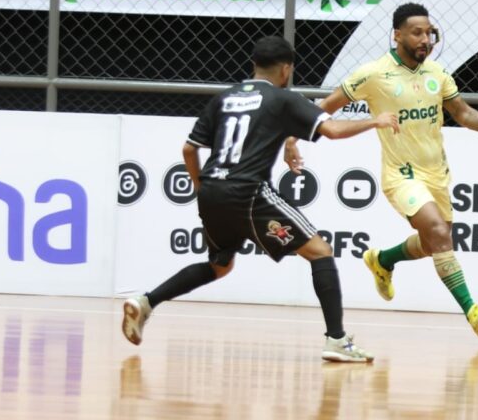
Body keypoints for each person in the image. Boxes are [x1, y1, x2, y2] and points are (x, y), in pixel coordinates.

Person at [121, 36, 399, 363]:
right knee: (320, 251)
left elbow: (188, 150)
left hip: (211, 190)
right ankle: (336, 340)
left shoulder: (223, 99)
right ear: (286, 69)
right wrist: (375, 121)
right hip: (248, 191)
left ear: (254, 65)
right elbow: (333, 130)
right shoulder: (281, 98)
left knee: (219, 265)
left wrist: (202, 188)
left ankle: (146, 302)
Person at [284, 3, 478, 339]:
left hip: (437, 174)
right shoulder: (373, 74)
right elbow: (322, 109)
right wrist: (291, 138)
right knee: (437, 231)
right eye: (416, 32)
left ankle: (383, 260)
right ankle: (473, 311)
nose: (425, 39)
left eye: (429, 32)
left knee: (435, 243)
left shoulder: (438, 74)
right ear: (397, 34)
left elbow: (463, 114)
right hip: (400, 175)